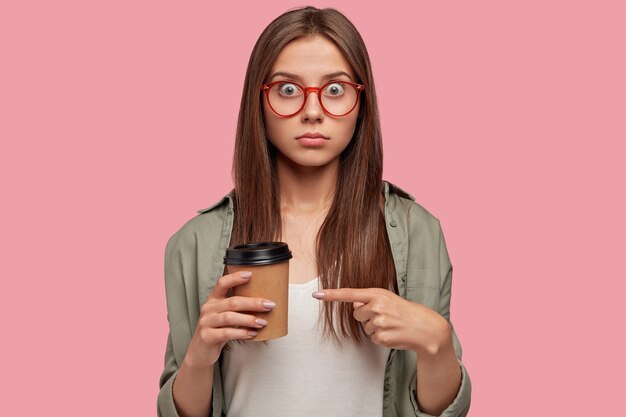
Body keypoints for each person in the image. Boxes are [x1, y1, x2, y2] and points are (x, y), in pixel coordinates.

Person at [157, 6, 471, 417]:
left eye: (335, 89)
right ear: (260, 100)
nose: (312, 110)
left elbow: (437, 410)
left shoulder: (417, 232)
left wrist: (437, 343)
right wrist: (199, 356)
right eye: (288, 89)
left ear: (362, 103)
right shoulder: (194, 242)